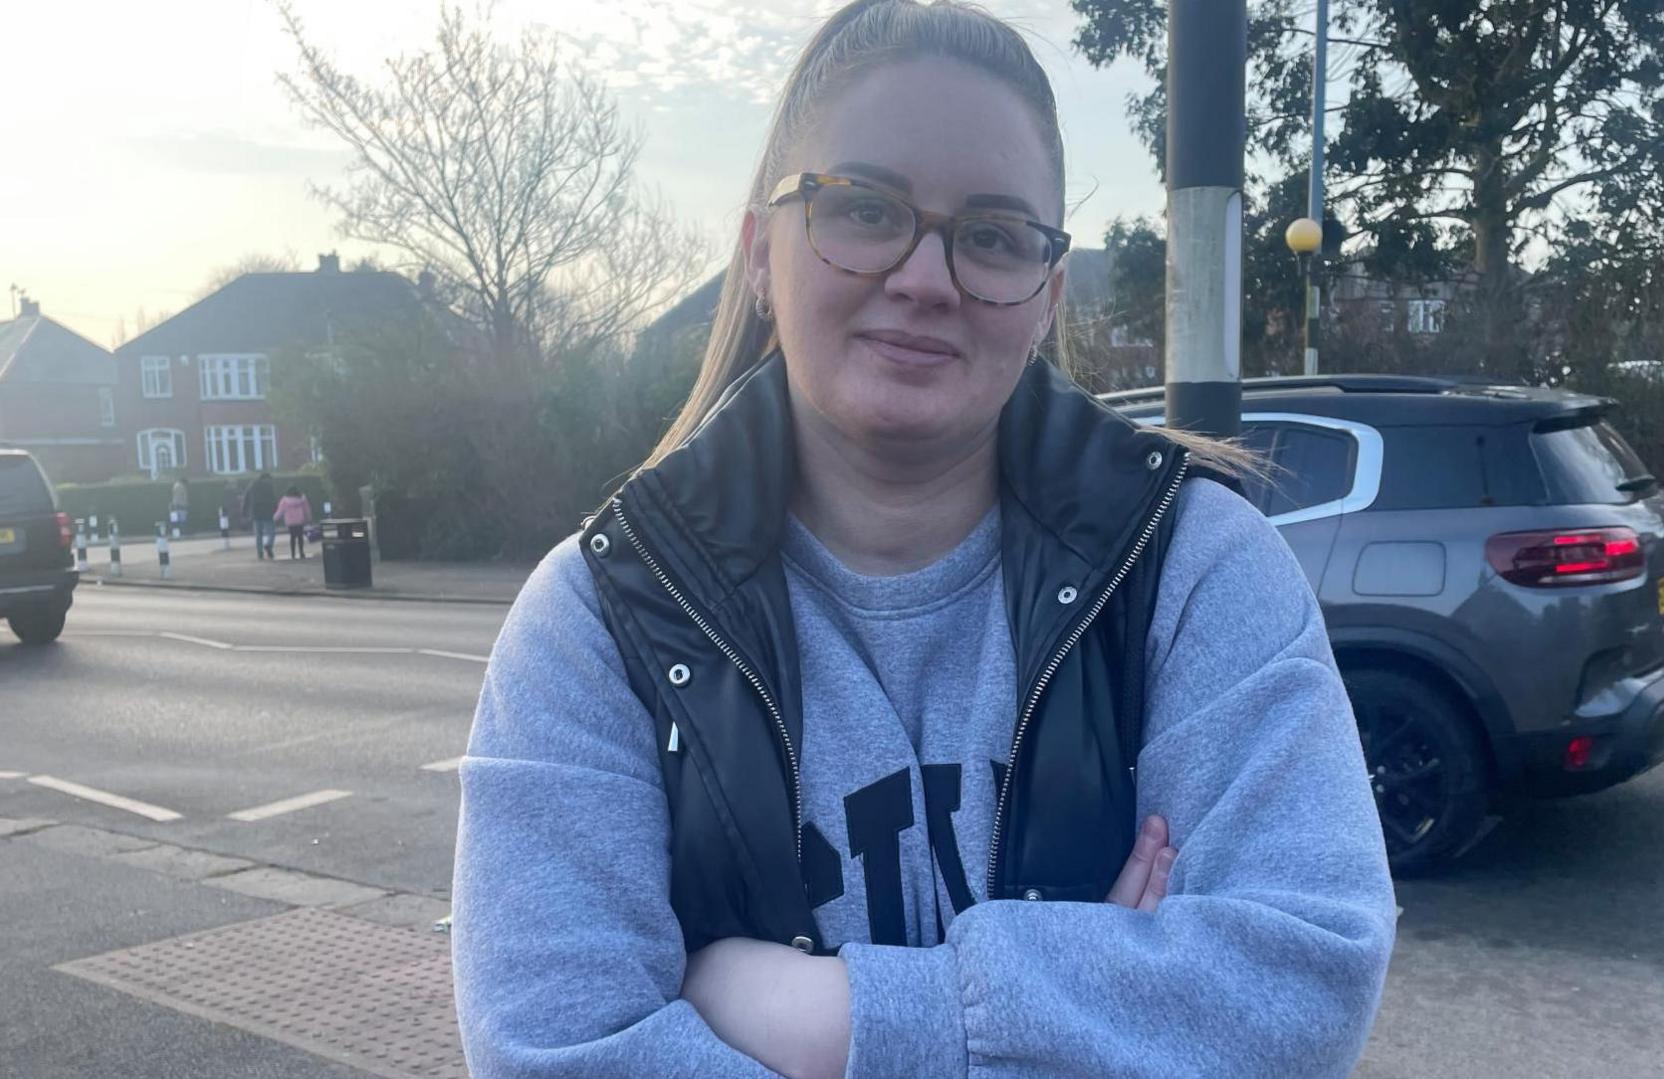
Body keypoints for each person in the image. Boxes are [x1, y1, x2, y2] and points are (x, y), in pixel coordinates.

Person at [452, 3, 1395, 1077]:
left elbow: (1304, 982)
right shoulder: (600, 618)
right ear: (762, 254)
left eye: (992, 234)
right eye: (863, 208)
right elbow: (558, 1050)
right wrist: (1100, 1002)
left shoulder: (1192, 569)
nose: (925, 277)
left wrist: (827, 1016)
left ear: (1046, 293)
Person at [243, 471, 276, 560]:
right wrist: (275, 511)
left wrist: (244, 512)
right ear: (266, 478)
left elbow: (246, 499)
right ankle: (269, 545)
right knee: (271, 532)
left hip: (255, 513)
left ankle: (260, 553)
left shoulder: (251, 485)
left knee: (258, 534)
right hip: (267, 512)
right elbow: (273, 499)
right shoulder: (269, 486)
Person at [275, 484, 313, 560]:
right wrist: (309, 518)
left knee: (292, 537)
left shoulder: (284, 500)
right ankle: (301, 552)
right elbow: (306, 509)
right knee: (300, 537)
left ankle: (293, 553)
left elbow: (280, 510)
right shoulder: (302, 498)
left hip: (290, 521)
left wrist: (275, 518)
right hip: (300, 520)